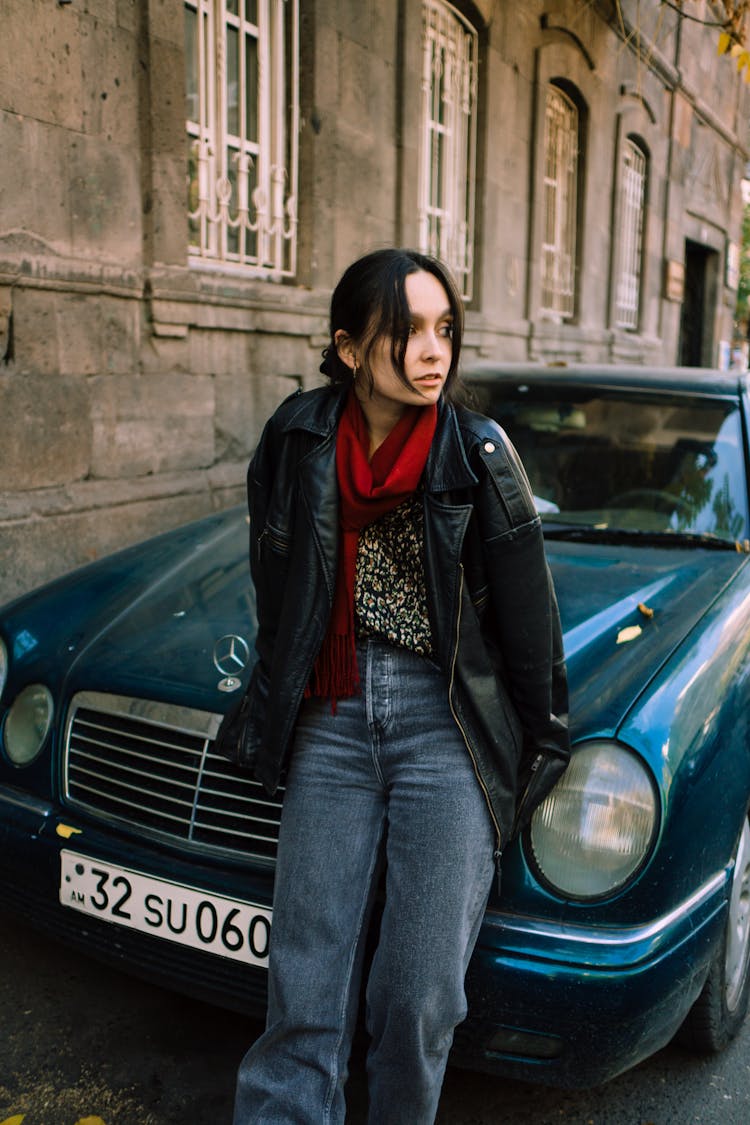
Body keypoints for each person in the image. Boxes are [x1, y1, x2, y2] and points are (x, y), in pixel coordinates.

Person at [219, 247, 570, 1124]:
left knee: (418, 995)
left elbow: (529, 620)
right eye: (407, 330)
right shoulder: (297, 436)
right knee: (304, 984)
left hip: (443, 724)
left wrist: (545, 741)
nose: (432, 350)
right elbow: (281, 583)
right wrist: (282, 691)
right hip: (331, 715)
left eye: (444, 328)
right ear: (348, 347)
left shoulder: (480, 452)